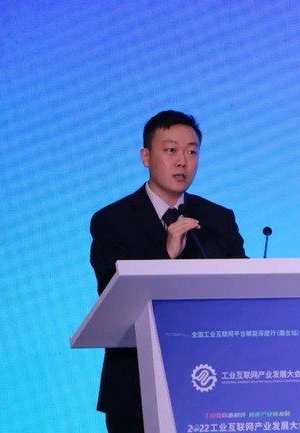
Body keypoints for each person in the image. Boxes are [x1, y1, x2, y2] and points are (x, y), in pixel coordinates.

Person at [89, 110, 247, 433]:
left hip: (212, 384)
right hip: (136, 390)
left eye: (192, 152)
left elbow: (243, 286)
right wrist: (166, 256)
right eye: (171, 150)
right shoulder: (112, 221)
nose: (182, 162)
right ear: (146, 157)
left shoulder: (218, 219)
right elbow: (112, 296)